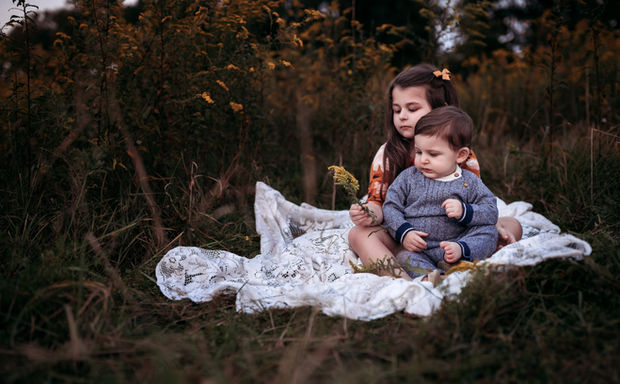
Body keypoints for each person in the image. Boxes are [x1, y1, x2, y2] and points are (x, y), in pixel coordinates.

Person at [348, 63, 522, 279]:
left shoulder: (462, 155)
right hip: (407, 236)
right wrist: (368, 215)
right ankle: (403, 281)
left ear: (441, 109)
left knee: (512, 225)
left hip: (458, 233)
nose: (402, 116)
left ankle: (460, 259)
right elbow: (381, 202)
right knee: (358, 234)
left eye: (412, 109)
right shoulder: (388, 154)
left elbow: (477, 198)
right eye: (396, 110)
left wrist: (493, 225)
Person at [382, 106, 498, 278]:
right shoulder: (409, 178)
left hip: (457, 242)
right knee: (403, 257)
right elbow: (391, 206)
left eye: (433, 154)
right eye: (419, 152)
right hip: (419, 248)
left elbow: (491, 211)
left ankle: (461, 255)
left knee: (489, 232)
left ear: (460, 155)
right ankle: (433, 277)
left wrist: (465, 211)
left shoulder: (468, 182)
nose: (423, 160)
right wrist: (404, 233)